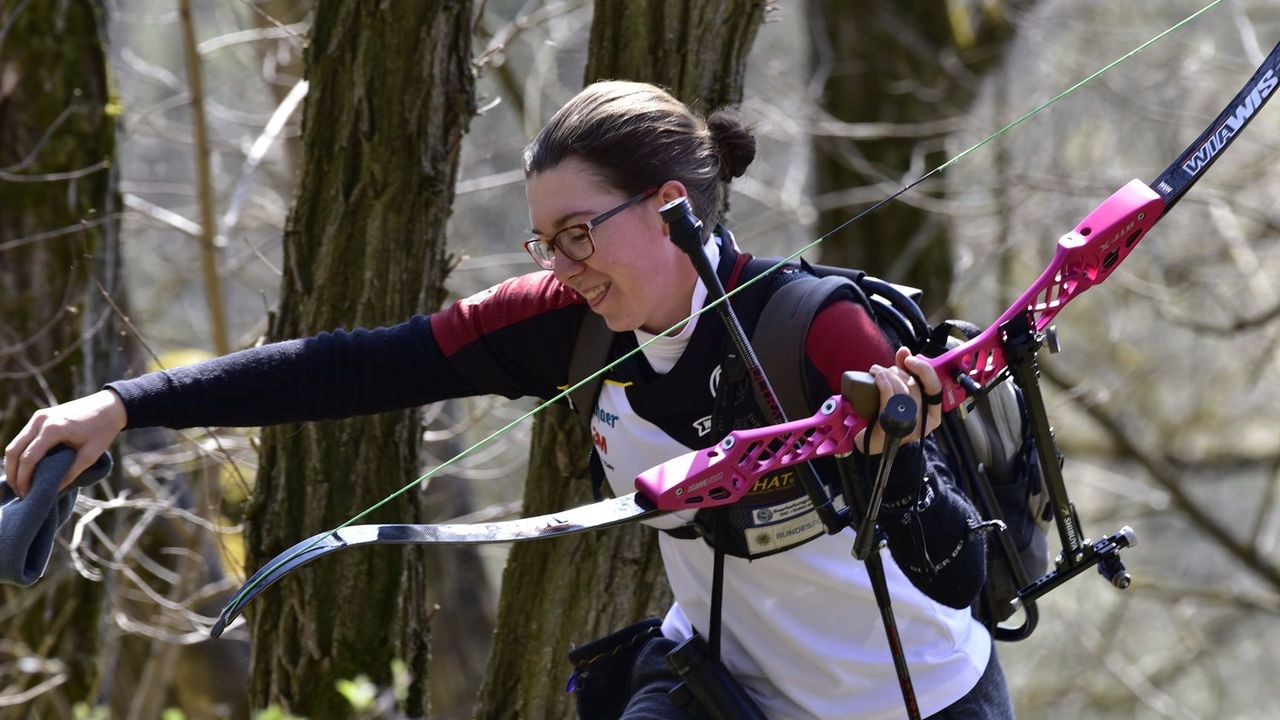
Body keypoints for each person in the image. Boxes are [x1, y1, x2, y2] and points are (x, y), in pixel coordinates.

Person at [4, 81, 1012, 720]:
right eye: (544, 241)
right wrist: (124, 406)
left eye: (577, 232)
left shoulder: (817, 328)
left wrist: (895, 455)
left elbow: (956, 574)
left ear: (667, 208)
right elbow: (355, 364)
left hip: (920, 695)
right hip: (718, 689)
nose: (559, 265)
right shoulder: (560, 319)